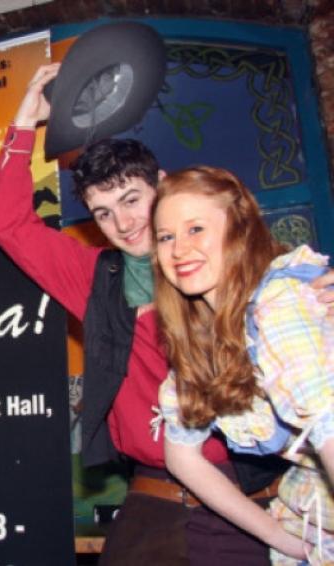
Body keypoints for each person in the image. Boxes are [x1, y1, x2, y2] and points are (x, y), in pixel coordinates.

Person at [0, 63, 334, 565]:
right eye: (103, 212)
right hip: (152, 500)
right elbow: (7, 222)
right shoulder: (93, 276)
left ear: (164, 188)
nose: (123, 223)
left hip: (254, 496)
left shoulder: (235, 270)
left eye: (132, 201)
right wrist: (26, 120)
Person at [154, 165, 334, 565]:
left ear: (240, 229)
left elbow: (329, 427)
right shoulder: (202, 341)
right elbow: (181, 458)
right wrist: (286, 542)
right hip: (313, 523)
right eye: (166, 237)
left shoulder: (280, 304)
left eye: (195, 229)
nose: (179, 249)